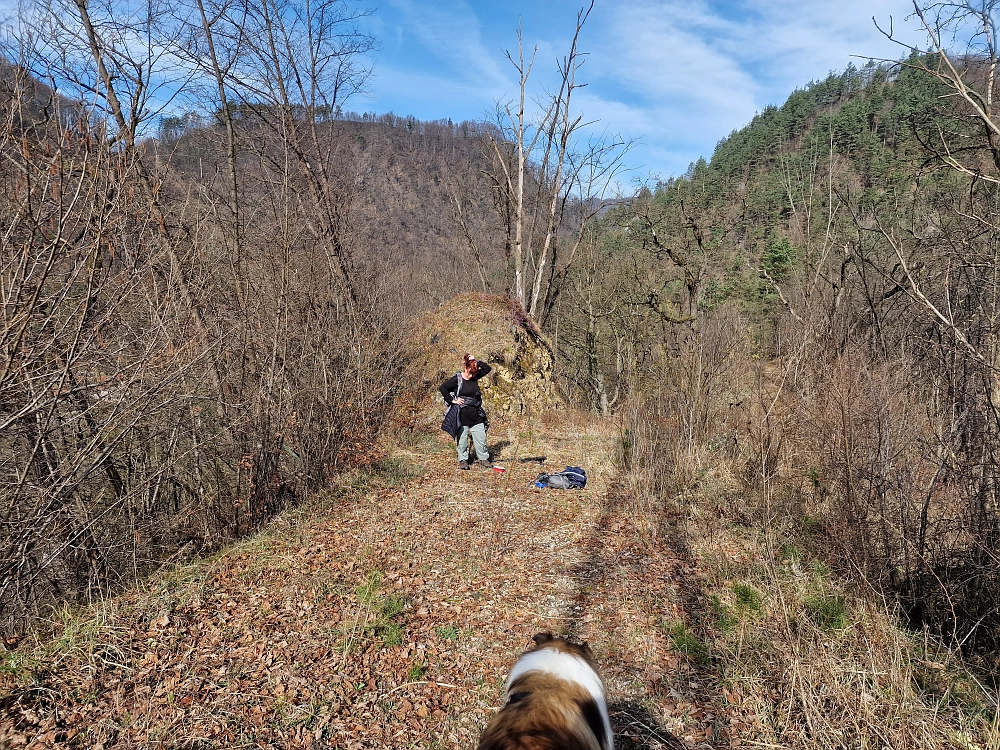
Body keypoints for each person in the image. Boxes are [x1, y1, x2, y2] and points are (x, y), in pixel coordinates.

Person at [439, 354, 493, 469]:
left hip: (475, 413)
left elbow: (487, 368)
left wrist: (475, 360)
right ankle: (463, 460)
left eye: (474, 372)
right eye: (470, 372)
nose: (471, 375)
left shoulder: (474, 376)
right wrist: (453, 400)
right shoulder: (457, 379)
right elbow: (443, 388)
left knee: (480, 437)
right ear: (465, 367)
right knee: (462, 440)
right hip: (461, 415)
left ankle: (483, 459)